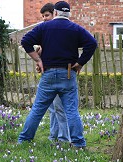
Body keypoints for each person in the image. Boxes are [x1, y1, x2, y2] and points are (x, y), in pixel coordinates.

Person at [18, 1, 97, 147]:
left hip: (48, 74)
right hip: (67, 74)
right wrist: (80, 63)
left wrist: (38, 60)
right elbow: (92, 43)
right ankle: (79, 143)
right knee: (71, 111)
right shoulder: (76, 29)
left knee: (37, 110)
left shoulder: (44, 27)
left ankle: (24, 140)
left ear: (55, 13)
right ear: (69, 14)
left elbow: (25, 40)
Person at [39, 3, 70, 142]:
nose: (44, 18)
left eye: (47, 15)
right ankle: (53, 136)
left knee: (59, 108)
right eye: (43, 16)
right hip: (48, 75)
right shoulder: (46, 31)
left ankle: (64, 138)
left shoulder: (61, 31)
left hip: (60, 74)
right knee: (52, 108)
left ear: (54, 14)